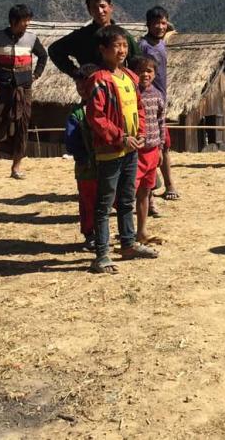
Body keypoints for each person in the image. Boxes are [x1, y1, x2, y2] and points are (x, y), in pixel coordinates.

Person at [86, 25, 157, 274]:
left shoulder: (130, 77)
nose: (122, 50)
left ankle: (128, 244)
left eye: (125, 45)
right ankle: (102, 254)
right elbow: (96, 117)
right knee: (105, 203)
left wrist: (138, 135)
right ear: (103, 50)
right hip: (110, 151)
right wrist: (120, 137)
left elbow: (139, 108)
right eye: (117, 46)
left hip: (131, 149)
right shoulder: (99, 80)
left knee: (127, 199)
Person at [0, 4, 48, 182]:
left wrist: (36, 74)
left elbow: (43, 56)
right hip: (4, 88)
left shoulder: (31, 39)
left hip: (25, 89)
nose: (27, 23)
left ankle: (16, 168)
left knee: (23, 127)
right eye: (24, 20)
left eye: (28, 19)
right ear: (14, 20)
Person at [48, 0, 140, 80]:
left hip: (119, 85)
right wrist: (74, 72)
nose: (100, 11)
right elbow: (54, 50)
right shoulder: (81, 36)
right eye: (95, 8)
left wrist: (130, 80)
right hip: (92, 87)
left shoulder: (123, 35)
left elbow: (137, 61)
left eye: (103, 6)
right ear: (89, 10)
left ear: (111, 7)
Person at [140, 6, 179, 202]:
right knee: (151, 143)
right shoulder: (144, 46)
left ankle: (167, 183)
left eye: (163, 23)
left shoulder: (161, 44)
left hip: (160, 99)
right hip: (147, 101)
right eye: (156, 23)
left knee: (164, 144)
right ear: (147, 24)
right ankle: (154, 184)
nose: (160, 27)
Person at [64, 64, 100, 252]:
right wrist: (82, 156)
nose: (83, 90)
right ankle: (90, 234)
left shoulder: (108, 108)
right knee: (88, 202)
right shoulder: (76, 114)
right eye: (79, 87)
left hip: (108, 164)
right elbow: (71, 142)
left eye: (86, 86)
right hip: (86, 168)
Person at [133, 56, 166, 247]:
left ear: (154, 74)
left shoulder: (157, 95)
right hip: (136, 151)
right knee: (129, 192)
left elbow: (161, 122)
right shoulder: (132, 94)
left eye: (149, 71)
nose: (145, 74)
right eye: (141, 70)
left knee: (145, 192)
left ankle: (141, 231)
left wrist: (160, 147)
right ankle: (128, 232)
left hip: (153, 150)